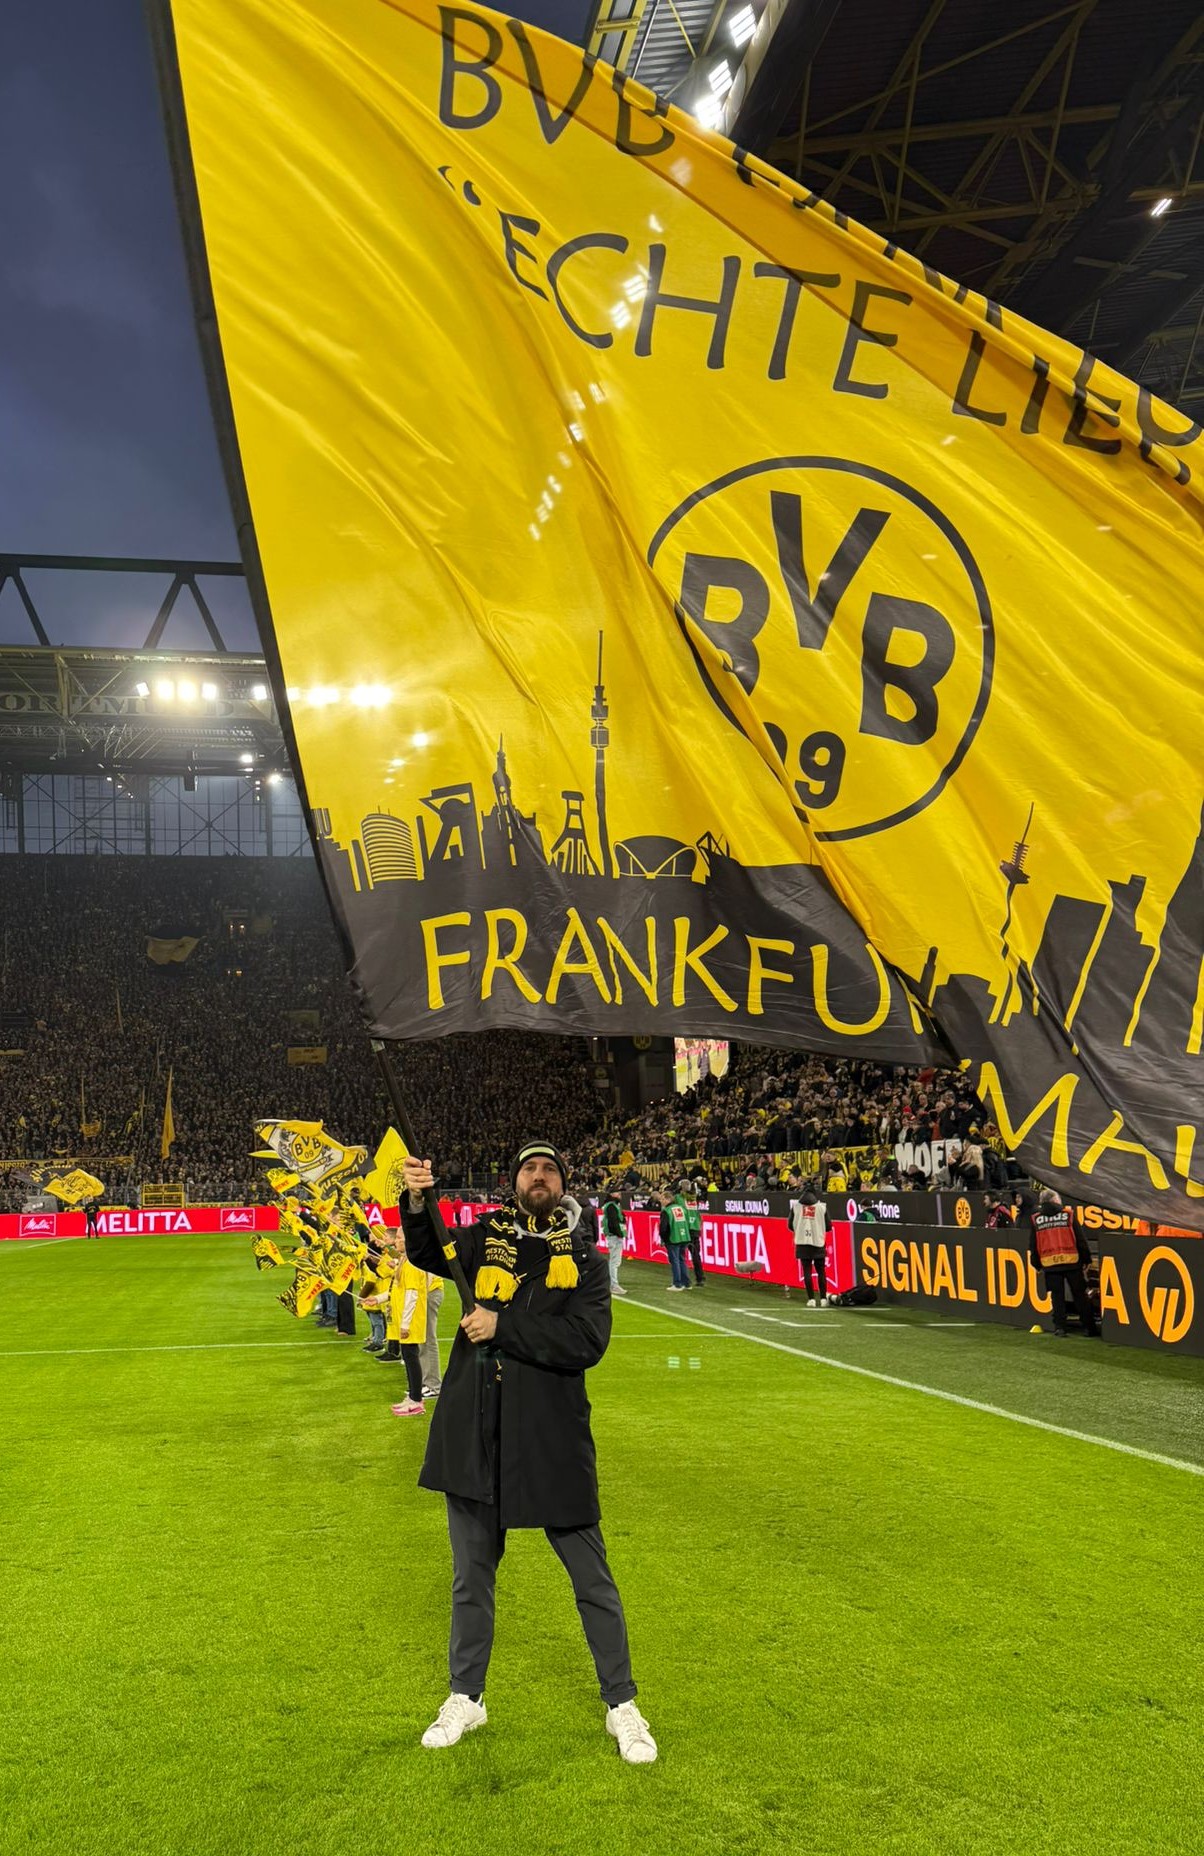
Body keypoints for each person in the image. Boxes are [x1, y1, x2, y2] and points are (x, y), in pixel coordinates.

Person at [400, 1144, 656, 1765]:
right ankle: (467, 1695)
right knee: (470, 1580)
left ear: (562, 1184)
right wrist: (415, 1199)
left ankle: (622, 1704)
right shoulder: (484, 1235)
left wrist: (503, 1327)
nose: (537, 1178)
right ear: (514, 1182)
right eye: (527, 1169)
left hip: (550, 1438)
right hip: (476, 1432)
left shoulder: (588, 1262)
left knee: (592, 1579)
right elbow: (426, 1249)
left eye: (548, 1171)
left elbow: (586, 1341)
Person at [1028, 1190, 1099, 1337]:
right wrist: (1086, 1259)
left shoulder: (1036, 1219)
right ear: (1054, 1200)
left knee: (1057, 1297)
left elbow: (1033, 1245)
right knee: (1080, 1296)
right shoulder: (1069, 1215)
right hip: (1072, 1261)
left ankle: (1060, 1327)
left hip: (1049, 1263)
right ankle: (1089, 1327)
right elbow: (1080, 1239)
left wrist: (1036, 1264)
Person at [789, 1188, 829, 1306]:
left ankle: (811, 1299)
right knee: (821, 1271)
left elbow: (790, 1224)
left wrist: (800, 1230)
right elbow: (829, 1225)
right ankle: (823, 1299)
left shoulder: (796, 1207)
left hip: (802, 1242)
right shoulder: (822, 1207)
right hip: (818, 1242)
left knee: (807, 1271)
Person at [659, 1186, 693, 1292]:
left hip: (673, 1238)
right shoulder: (682, 1208)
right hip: (684, 1237)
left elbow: (663, 1228)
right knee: (682, 1260)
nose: (661, 1201)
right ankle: (686, 1283)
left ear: (668, 1199)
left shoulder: (666, 1211)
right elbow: (688, 1222)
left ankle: (677, 1284)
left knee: (675, 1261)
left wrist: (664, 1239)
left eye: (663, 1199)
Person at [600, 1186, 627, 1296]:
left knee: (614, 1261)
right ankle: (614, 1285)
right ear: (612, 1194)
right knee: (614, 1261)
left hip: (614, 1235)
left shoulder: (613, 1205)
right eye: (617, 1193)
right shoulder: (611, 1206)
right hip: (614, 1236)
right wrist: (619, 1233)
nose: (620, 1195)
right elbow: (613, 1222)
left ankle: (612, 1283)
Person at [681, 1179, 705, 1288]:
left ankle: (684, 1279)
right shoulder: (694, 1198)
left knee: (680, 1255)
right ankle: (700, 1278)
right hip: (695, 1229)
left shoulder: (679, 1197)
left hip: (685, 1229)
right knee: (696, 1255)